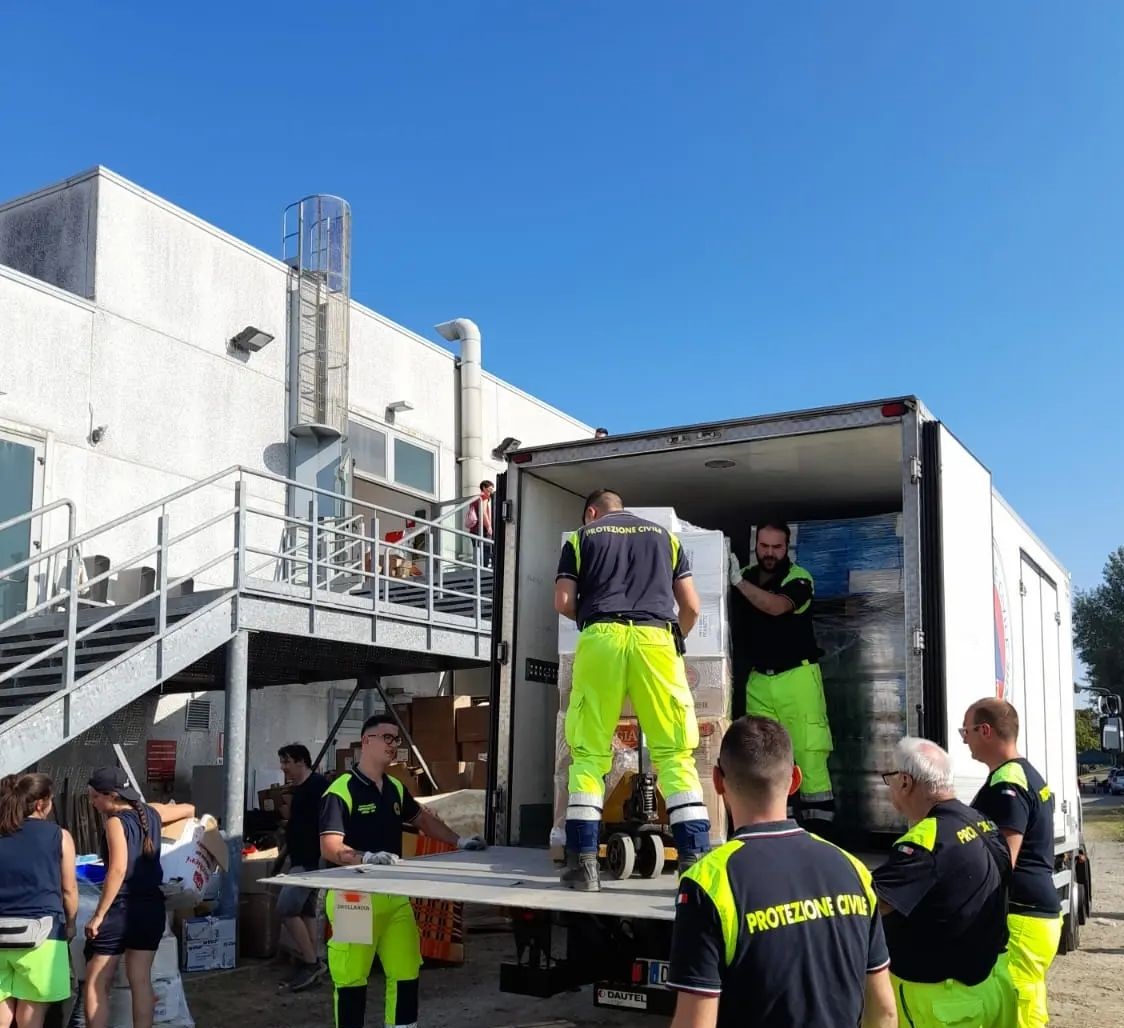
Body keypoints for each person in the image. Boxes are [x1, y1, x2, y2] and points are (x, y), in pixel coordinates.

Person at [666, 716, 896, 1028]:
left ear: (718, 781)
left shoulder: (708, 882)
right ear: (796, 780)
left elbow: (695, 1023)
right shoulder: (853, 869)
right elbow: (884, 1012)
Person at [554, 489, 710, 891]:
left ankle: (584, 865)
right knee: (675, 753)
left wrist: (594, 617)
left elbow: (563, 600)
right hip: (656, 638)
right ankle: (694, 862)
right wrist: (673, 641)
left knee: (588, 753)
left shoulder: (580, 538)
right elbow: (691, 607)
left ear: (591, 513)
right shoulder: (666, 538)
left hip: (601, 637)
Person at [319, 714, 487, 1028]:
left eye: (396, 739)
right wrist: (365, 856)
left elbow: (422, 819)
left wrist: (460, 840)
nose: (393, 745)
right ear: (366, 741)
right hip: (354, 897)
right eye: (386, 737)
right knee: (352, 978)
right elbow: (329, 846)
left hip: (394, 896)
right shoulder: (342, 789)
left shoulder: (395, 787)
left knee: (407, 970)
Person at [872, 738, 1016, 1028]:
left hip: (940, 1001)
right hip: (993, 985)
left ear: (904, 782)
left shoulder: (925, 840)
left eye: (889, 779)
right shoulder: (982, 822)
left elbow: (870, 906)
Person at [964, 698, 1063, 1028]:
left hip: (1022, 916)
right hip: (1037, 916)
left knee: (1015, 1012)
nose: (964, 739)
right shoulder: (1025, 773)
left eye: (967, 731)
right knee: (1027, 1006)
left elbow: (1003, 859)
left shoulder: (1009, 781)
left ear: (986, 731)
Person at [728, 521, 834, 829]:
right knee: (766, 760)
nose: (770, 553)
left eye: (777, 547)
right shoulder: (745, 575)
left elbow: (776, 607)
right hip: (758, 679)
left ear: (787, 548)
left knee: (809, 757)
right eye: (764, 546)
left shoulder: (798, 579)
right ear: (756, 546)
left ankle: (820, 836)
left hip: (797, 678)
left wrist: (737, 582)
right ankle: (777, 830)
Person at [83, 768, 190, 1028]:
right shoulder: (151, 812)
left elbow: (118, 870)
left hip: (121, 907)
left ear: (111, 795)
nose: (93, 803)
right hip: (151, 907)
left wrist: (98, 915)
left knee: (97, 982)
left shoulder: (114, 822)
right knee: (141, 980)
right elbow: (189, 809)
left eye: (95, 797)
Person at [0, 774, 77, 1028]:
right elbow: (69, 889)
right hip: (42, 935)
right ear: (41, 804)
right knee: (31, 1017)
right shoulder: (59, 835)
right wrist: (71, 923)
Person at [276, 744, 330, 992]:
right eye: (282, 762)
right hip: (302, 859)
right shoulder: (300, 790)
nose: (283, 767)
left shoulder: (318, 787)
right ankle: (315, 960)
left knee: (286, 908)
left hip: (311, 861)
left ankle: (310, 963)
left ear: (301, 762)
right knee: (306, 911)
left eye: (287, 762)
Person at [465, 480, 494, 569]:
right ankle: (483, 568)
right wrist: (489, 526)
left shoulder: (475, 499)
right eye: (490, 489)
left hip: (474, 530)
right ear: (484, 488)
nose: (491, 492)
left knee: (477, 550)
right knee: (485, 550)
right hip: (481, 529)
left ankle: (478, 568)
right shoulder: (484, 497)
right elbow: (483, 512)